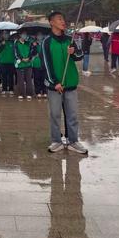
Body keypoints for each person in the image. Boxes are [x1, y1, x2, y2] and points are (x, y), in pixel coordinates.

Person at [40, 11, 88, 155]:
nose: (63, 21)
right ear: (51, 22)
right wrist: (54, 82)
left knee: (72, 114)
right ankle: (56, 140)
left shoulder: (70, 39)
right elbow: (46, 65)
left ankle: (73, 140)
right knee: (55, 114)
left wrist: (73, 52)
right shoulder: (46, 42)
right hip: (55, 86)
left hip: (70, 83)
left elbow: (79, 56)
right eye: (59, 19)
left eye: (63, 18)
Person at [13, 30, 33, 100]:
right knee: (20, 80)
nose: (25, 36)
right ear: (20, 35)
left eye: (26, 34)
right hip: (20, 64)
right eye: (23, 34)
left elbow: (31, 51)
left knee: (29, 80)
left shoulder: (29, 43)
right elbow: (15, 53)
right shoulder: (16, 43)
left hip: (28, 64)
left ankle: (29, 94)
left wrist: (29, 58)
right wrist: (21, 59)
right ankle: (21, 94)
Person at [0, 31, 15, 95]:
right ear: (2, 35)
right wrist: (2, 45)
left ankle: (11, 89)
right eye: (4, 34)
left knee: (11, 76)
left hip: (11, 61)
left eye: (7, 34)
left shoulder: (12, 42)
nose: (6, 35)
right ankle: (4, 89)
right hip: (2, 62)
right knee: (4, 76)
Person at [31, 32, 47, 98]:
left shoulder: (45, 43)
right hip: (36, 63)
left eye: (41, 35)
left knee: (44, 78)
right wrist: (34, 47)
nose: (40, 36)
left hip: (44, 63)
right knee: (37, 78)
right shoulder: (33, 44)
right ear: (36, 36)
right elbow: (31, 53)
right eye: (38, 35)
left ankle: (44, 91)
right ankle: (37, 92)